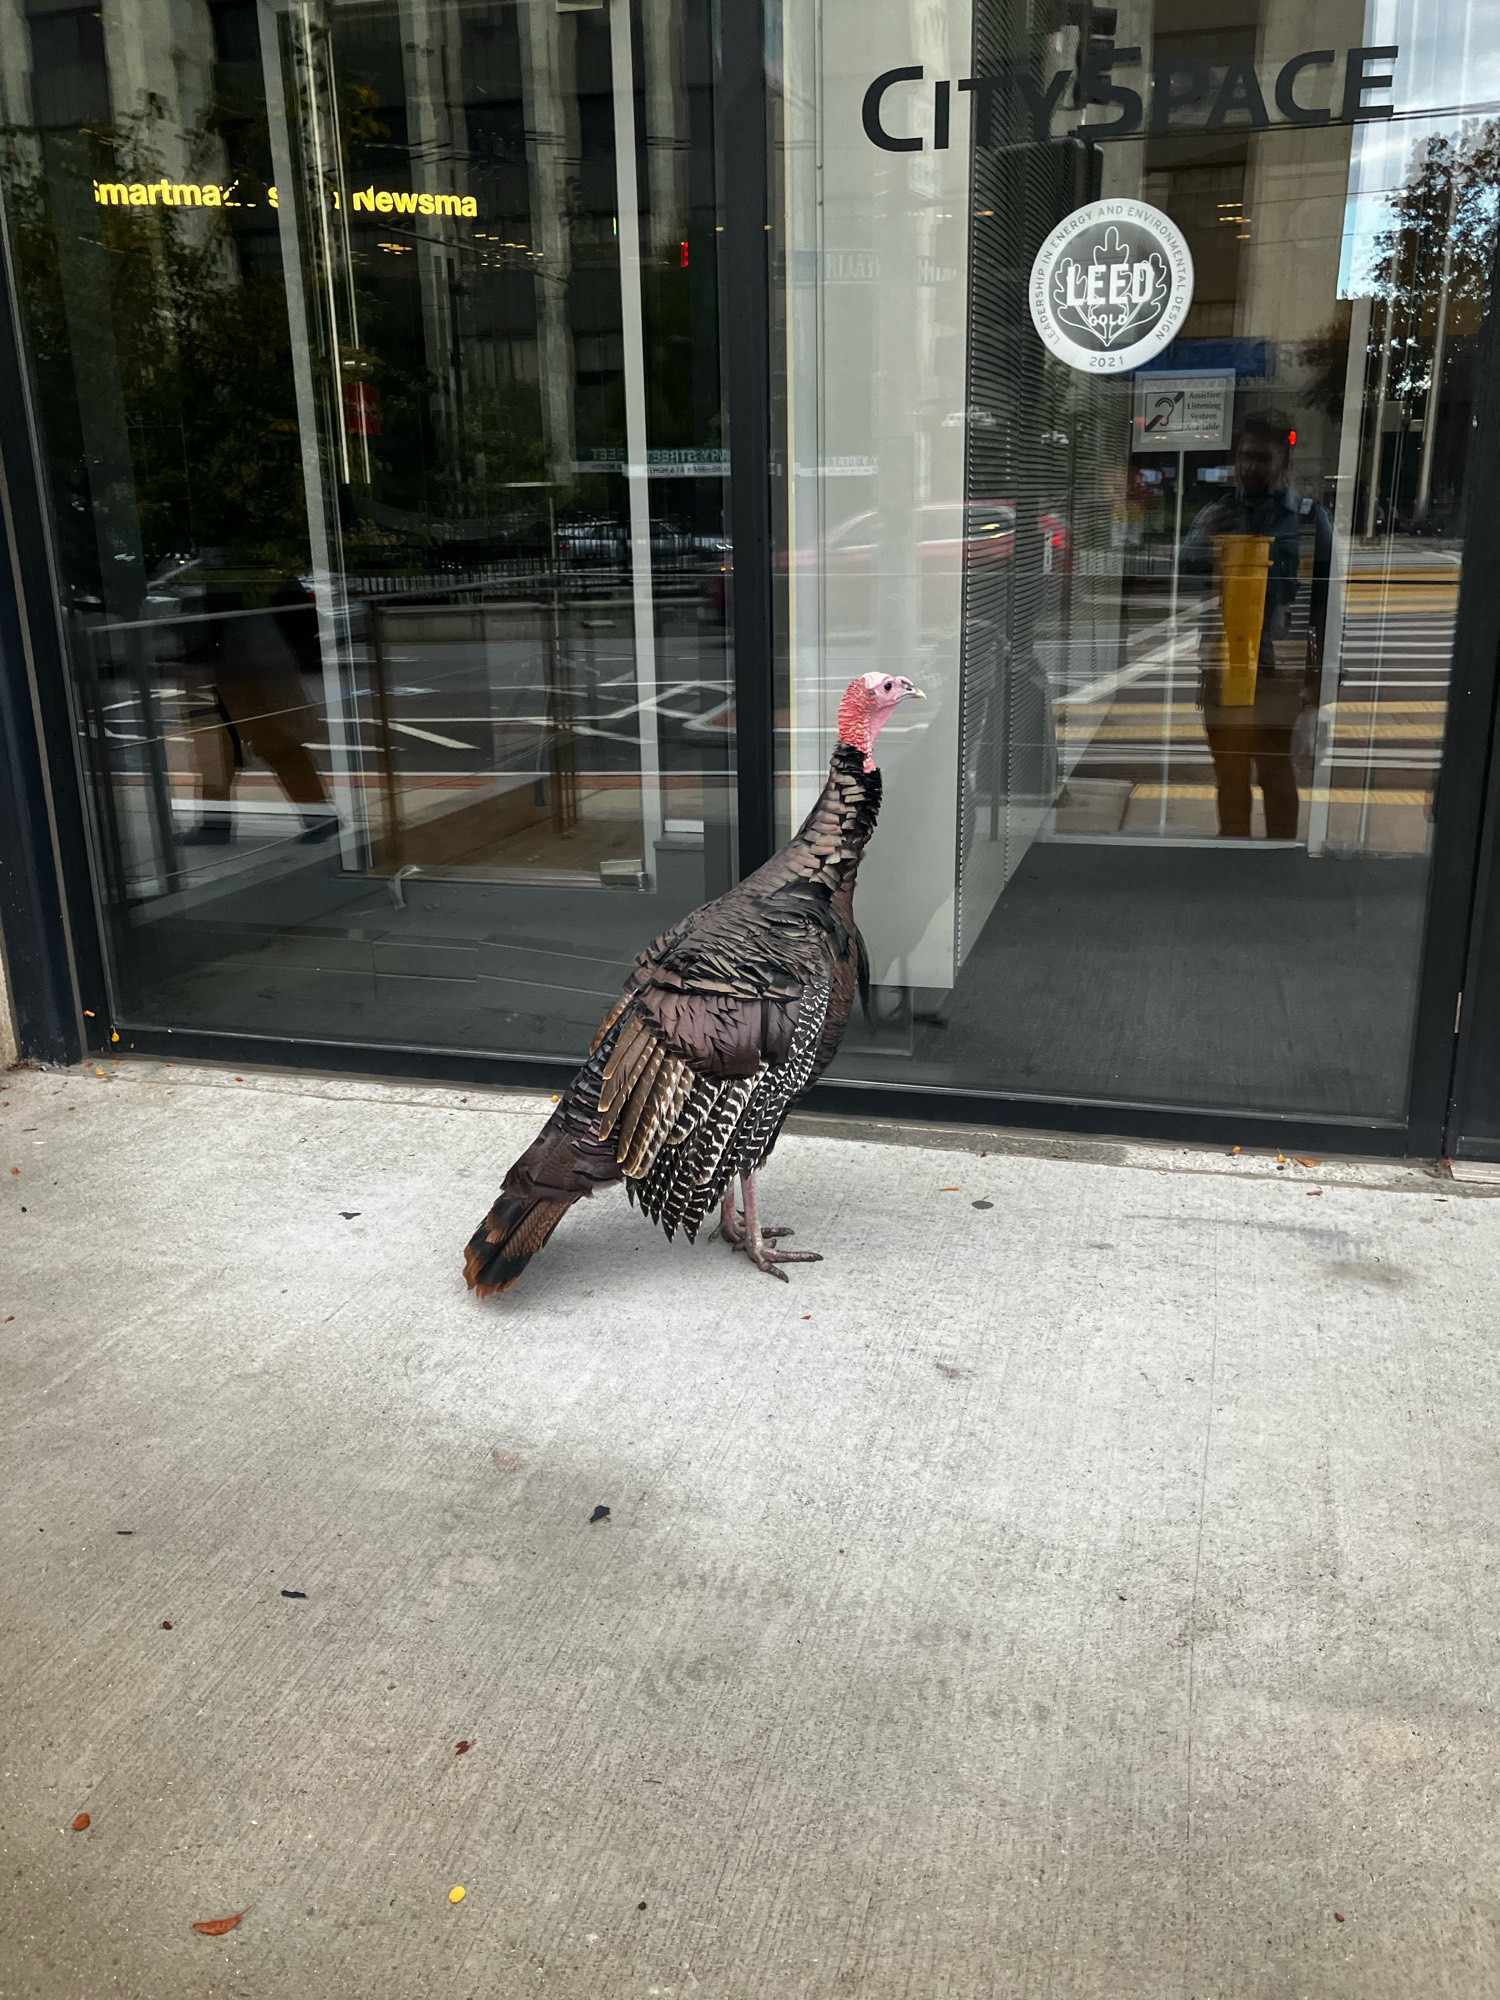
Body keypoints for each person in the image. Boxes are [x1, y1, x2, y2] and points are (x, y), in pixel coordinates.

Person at [1179, 413, 1332, 840]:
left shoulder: (1306, 520)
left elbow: (1324, 604)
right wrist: (1204, 540)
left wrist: (1317, 677)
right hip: (1222, 664)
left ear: (1283, 460)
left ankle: (1279, 859)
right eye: (1246, 457)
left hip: (1278, 671)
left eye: (1263, 458)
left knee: (1276, 774)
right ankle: (1233, 856)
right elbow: (1184, 576)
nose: (1252, 467)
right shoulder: (1217, 514)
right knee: (1228, 773)